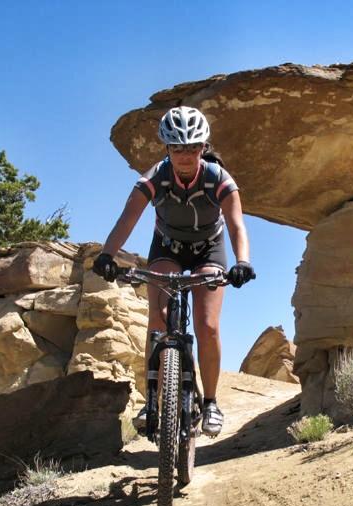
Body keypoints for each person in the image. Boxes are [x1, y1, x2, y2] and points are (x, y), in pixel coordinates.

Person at [92, 106, 255, 437]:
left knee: (207, 326)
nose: (185, 155)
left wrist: (242, 261)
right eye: (177, 148)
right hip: (167, 248)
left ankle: (210, 402)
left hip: (208, 249)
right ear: (166, 148)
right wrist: (107, 254)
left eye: (192, 147)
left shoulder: (218, 179)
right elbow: (127, 220)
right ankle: (151, 399)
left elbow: (237, 224)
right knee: (158, 319)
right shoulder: (154, 178)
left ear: (203, 147)